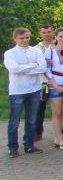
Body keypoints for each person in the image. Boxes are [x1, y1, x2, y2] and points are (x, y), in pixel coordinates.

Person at [4, 28, 47, 157]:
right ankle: (12, 148)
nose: (25, 40)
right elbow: (14, 69)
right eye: (21, 38)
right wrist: (33, 66)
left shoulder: (36, 51)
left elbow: (43, 67)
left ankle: (29, 145)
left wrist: (25, 69)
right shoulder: (10, 53)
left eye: (27, 37)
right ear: (15, 38)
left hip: (34, 89)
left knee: (32, 120)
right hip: (17, 90)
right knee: (14, 121)